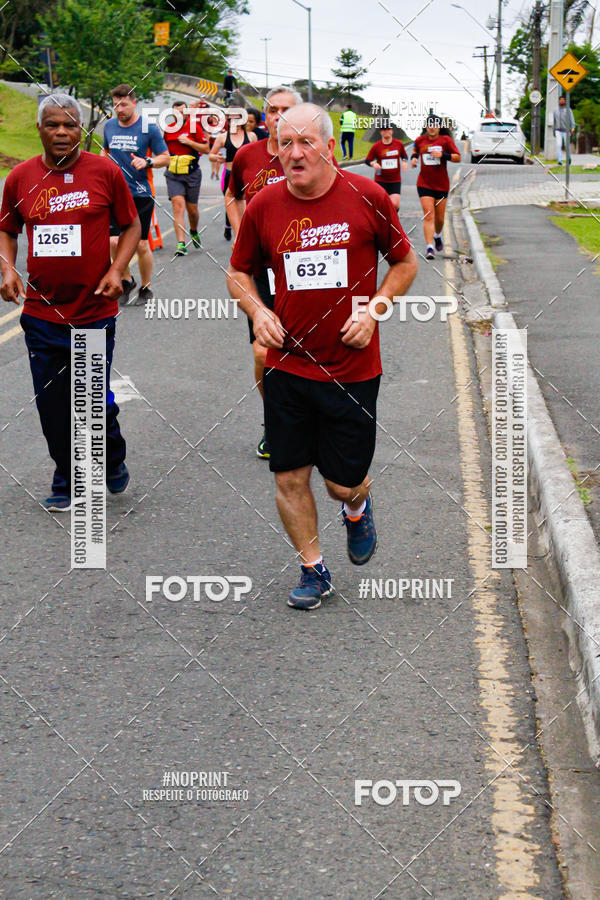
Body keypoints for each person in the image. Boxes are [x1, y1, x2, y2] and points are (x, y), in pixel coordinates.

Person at [227, 103, 418, 610]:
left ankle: (357, 506)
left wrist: (375, 309)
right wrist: (258, 311)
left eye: (306, 142)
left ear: (329, 147)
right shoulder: (265, 206)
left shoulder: (367, 196)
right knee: (289, 475)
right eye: (285, 143)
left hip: (351, 369)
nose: (294, 153)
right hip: (288, 363)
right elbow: (238, 271)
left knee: (340, 483)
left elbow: (403, 263)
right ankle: (313, 568)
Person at [0, 94, 141, 510]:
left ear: (82, 129)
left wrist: (117, 269)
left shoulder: (104, 172)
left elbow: (132, 225)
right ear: (39, 129)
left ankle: (111, 455)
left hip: (93, 311)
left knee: (91, 399)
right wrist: (8, 269)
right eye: (52, 125)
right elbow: (7, 229)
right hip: (42, 313)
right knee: (52, 404)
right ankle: (68, 474)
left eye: (70, 125)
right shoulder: (21, 178)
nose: (62, 132)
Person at [225, 85, 302, 459]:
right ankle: (276, 420)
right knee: (262, 352)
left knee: (306, 349)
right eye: (272, 110)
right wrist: (243, 236)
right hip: (261, 270)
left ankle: (310, 417)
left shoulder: (312, 155)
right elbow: (232, 195)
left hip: (306, 270)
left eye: (286, 109)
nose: (278, 116)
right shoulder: (247, 156)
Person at [101, 84, 169, 304]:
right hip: (114, 193)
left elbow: (165, 157)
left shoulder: (148, 128)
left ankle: (146, 287)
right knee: (113, 241)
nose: (119, 109)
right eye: (115, 105)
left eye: (123, 104)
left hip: (140, 193)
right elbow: (105, 151)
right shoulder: (110, 126)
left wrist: (147, 161)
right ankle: (127, 279)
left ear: (134, 103)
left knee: (140, 244)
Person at [411, 115, 460, 260]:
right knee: (429, 215)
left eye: (435, 124)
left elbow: (457, 157)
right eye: (429, 124)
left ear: (439, 127)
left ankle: (437, 235)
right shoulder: (420, 140)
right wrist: (413, 159)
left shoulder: (446, 141)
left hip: (441, 185)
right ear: (426, 127)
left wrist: (442, 155)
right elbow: (415, 150)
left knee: (439, 219)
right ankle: (429, 247)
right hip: (424, 183)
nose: (432, 127)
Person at [163, 99, 209, 256]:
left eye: (182, 112)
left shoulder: (194, 128)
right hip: (173, 174)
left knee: (193, 210)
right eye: (177, 112)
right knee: (177, 206)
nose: (180, 115)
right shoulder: (167, 129)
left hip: (192, 173)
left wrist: (189, 142)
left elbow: (207, 149)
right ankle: (181, 243)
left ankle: (194, 231)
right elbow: (162, 150)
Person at [209, 111, 257, 241]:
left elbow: (256, 155)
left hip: (247, 175)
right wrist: (217, 157)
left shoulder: (251, 136)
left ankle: (244, 233)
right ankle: (231, 229)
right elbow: (211, 154)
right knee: (231, 203)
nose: (233, 122)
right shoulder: (223, 137)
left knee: (248, 204)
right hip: (230, 174)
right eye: (230, 120)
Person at [365, 121, 408, 210]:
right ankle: (384, 222)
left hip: (395, 180)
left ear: (392, 131)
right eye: (384, 130)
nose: (386, 131)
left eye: (388, 129)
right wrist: (373, 163)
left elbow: (404, 155)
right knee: (381, 205)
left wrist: (404, 161)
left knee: (395, 205)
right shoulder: (376, 146)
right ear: (381, 132)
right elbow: (367, 160)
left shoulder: (398, 144)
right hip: (381, 180)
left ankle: (392, 220)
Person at [553, 95, 575, 166]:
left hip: (566, 130)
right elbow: (554, 122)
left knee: (566, 145)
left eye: (563, 100)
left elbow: (572, 120)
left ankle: (568, 158)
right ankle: (560, 160)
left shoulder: (568, 110)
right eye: (560, 100)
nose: (561, 101)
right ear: (559, 101)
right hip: (558, 130)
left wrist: (572, 128)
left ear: (565, 101)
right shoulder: (555, 111)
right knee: (558, 145)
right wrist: (554, 131)